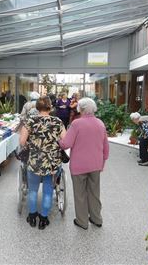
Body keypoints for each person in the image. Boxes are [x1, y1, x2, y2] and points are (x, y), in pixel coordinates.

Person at [59, 97, 109, 230]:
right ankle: (96, 218)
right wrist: (103, 161)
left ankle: (82, 221)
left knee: (80, 193)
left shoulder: (76, 124)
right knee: (94, 192)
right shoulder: (100, 123)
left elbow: (66, 144)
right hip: (96, 164)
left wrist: (58, 139)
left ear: (80, 108)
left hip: (79, 165)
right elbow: (106, 147)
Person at [19, 96, 66, 230]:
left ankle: (32, 217)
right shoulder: (57, 121)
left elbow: (22, 142)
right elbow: (65, 141)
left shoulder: (30, 121)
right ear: (50, 107)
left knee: (32, 190)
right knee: (48, 191)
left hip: (34, 162)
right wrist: (52, 145)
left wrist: (32, 145)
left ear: (37, 107)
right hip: (52, 163)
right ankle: (44, 219)